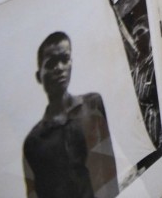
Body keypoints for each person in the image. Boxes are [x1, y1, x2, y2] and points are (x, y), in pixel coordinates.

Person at [23, 32, 118, 198]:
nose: (59, 68)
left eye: (64, 59)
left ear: (71, 63)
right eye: (51, 63)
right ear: (39, 76)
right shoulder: (33, 141)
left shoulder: (92, 105)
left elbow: (108, 170)